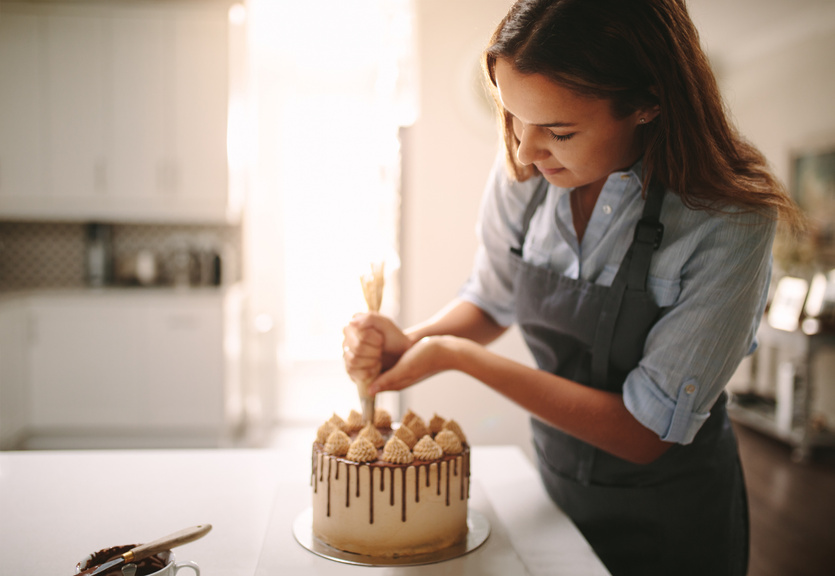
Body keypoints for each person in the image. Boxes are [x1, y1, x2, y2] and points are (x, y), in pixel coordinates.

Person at [342, 1, 803, 574]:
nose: (523, 151)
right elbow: (491, 298)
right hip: (556, 486)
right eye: (511, 117)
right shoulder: (529, 168)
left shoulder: (729, 219)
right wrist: (407, 341)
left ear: (648, 103)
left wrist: (457, 358)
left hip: (671, 518)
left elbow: (645, 431)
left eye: (558, 131)